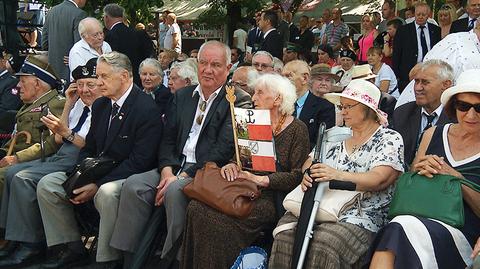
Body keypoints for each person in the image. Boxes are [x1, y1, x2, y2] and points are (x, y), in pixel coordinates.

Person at [106, 41, 252, 267]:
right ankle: (130, 257)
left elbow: (223, 149)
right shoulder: (182, 96)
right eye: (203, 63)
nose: (208, 70)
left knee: (175, 190)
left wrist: (181, 177)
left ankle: (175, 258)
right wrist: (166, 171)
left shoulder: (238, 99)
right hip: (173, 166)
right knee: (133, 185)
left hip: (206, 172)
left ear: (228, 67)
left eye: (215, 64)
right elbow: (167, 138)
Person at [36, 52, 163, 269]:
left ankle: (106, 259)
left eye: (104, 76)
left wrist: (97, 184)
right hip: (99, 171)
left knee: (107, 193)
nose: (99, 82)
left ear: (124, 76)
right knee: (48, 185)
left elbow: (140, 161)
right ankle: (70, 247)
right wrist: (83, 176)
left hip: (128, 176)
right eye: (99, 76)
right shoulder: (102, 105)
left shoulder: (146, 109)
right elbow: (90, 148)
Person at [269, 79, 404, 268]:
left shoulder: (389, 138)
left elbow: (380, 179)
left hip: (362, 215)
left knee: (325, 243)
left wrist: (336, 174)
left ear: (368, 108)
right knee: (285, 236)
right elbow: (309, 161)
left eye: (348, 106)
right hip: (320, 206)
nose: (343, 111)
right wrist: (309, 172)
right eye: (341, 106)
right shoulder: (335, 135)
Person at [180, 72, 310, 268]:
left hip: (268, 197)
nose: (253, 98)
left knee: (216, 221)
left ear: (277, 99)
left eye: (259, 93)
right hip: (241, 187)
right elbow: (238, 158)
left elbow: (296, 176)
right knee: (195, 208)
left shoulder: (297, 129)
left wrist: (261, 180)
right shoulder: (251, 121)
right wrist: (232, 165)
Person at [369, 69, 480, 269]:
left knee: (399, 229)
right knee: (400, 228)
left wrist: (456, 178)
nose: (471, 114)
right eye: (464, 106)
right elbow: (411, 184)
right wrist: (419, 169)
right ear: (454, 107)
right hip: (419, 215)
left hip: (461, 230)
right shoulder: (433, 133)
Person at [0, 59, 100, 268]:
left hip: (81, 157)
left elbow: (87, 143)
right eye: (80, 84)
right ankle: (15, 240)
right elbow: (57, 138)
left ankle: (31, 244)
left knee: (21, 176)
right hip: (64, 151)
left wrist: (65, 133)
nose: (84, 90)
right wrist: (70, 104)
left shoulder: (102, 106)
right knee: (12, 173)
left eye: (90, 84)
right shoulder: (78, 103)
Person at [0, 55, 65, 197]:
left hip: (34, 162)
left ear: (37, 84)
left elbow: (53, 142)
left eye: (23, 81)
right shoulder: (29, 105)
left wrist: (17, 158)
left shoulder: (56, 104)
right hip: (15, 157)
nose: (18, 86)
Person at [393, 60, 455, 167]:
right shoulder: (402, 113)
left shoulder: (458, 117)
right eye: (416, 82)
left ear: (446, 85)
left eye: (425, 82)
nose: (418, 88)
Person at [282, 60, 335, 149]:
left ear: (304, 78)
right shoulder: (279, 104)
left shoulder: (325, 107)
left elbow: (322, 144)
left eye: (288, 76)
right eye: (282, 77)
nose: (283, 81)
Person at [393, 2, 441, 91]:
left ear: (428, 15)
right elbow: (396, 53)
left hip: (431, 72)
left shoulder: (436, 30)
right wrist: (396, 76)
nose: (420, 17)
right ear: (414, 14)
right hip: (408, 74)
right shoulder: (403, 30)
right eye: (418, 14)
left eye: (423, 14)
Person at [103, 3, 153, 86]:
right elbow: (148, 54)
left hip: (120, 80)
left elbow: (111, 60)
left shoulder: (110, 36)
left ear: (106, 17)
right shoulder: (138, 34)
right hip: (139, 79)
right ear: (122, 17)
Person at [41, 0, 87, 82]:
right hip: (70, 68)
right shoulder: (79, 14)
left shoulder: (51, 11)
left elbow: (44, 43)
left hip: (52, 67)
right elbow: (80, 46)